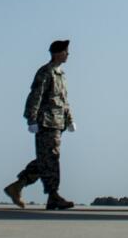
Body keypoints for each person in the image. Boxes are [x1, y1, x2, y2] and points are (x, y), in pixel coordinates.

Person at [4, 40, 76, 210]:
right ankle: (54, 195)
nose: (68, 54)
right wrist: (31, 119)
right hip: (46, 122)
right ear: (58, 53)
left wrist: (70, 119)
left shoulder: (61, 74)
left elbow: (64, 101)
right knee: (51, 158)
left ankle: (17, 186)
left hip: (58, 122)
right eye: (66, 51)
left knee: (46, 159)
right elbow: (35, 96)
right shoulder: (45, 72)